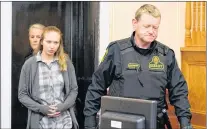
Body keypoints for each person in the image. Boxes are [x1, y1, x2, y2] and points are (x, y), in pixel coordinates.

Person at [84, 4, 192, 129]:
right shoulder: (116, 50)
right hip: (121, 122)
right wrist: (90, 123)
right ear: (135, 23)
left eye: (155, 27)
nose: (152, 31)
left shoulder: (166, 54)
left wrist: (185, 124)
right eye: (147, 26)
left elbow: (179, 91)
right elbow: (96, 87)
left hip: (154, 123)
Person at [18, 26, 79, 129]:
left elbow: (74, 90)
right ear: (42, 42)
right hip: (41, 123)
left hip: (64, 122)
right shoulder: (30, 64)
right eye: (48, 42)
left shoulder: (66, 62)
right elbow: (22, 95)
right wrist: (42, 108)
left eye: (56, 42)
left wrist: (62, 107)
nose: (52, 46)